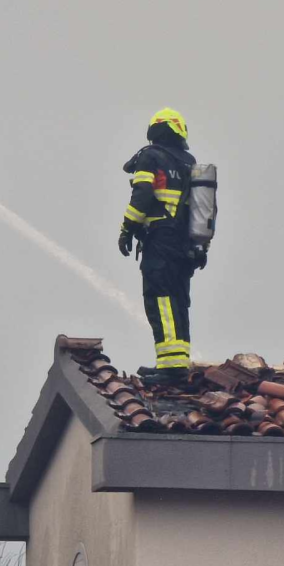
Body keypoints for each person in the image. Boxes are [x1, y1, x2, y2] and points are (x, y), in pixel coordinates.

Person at [118, 108, 206, 384]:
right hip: (186, 244)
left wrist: (127, 228)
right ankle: (175, 361)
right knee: (178, 300)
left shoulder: (150, 156)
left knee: (161, 298)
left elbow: (142, 194)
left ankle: (171, 368)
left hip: (161, 239)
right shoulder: (189, 162)